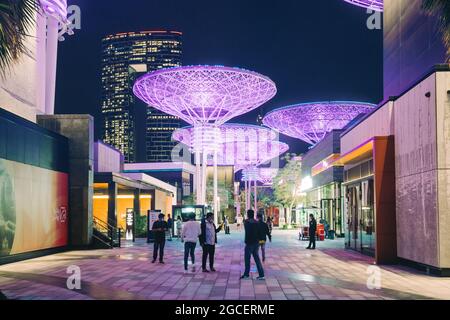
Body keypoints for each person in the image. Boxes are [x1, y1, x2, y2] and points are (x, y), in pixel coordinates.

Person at [241, 210, 265, 280]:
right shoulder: (257, 223)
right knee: (257, 259)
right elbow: (260, 233)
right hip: (256, 243)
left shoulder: (246, 222)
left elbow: (245, 222)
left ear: (248, 215)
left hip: (249, 243)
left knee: (247, 259)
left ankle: (246, 274)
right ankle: (261, 274)